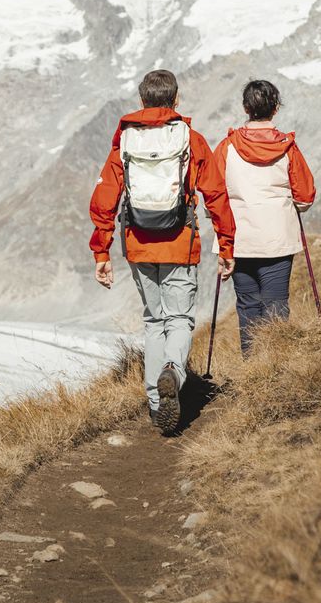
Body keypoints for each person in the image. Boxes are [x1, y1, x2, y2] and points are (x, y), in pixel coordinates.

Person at [89, 69, 235, 435]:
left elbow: (105, 200)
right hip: (180, 243)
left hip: (138, 243)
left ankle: (156, 402)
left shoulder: (124, 141)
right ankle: (174, 370)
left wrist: (101, 252)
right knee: (180, 319)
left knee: (154, 320)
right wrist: (226, 244)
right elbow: (215, 194)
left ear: (141, 101)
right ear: (176, 99)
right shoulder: (191, 139)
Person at [213, 79, 316, 355]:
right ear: (275, 109)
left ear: (246, 108)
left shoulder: (226, 147)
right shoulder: (288, 148)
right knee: (276, 303)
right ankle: (276, 366)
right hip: (277, 239)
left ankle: (252, 368)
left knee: (248, 305)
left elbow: (213, 193)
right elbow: (305, 197)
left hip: (239, 239)